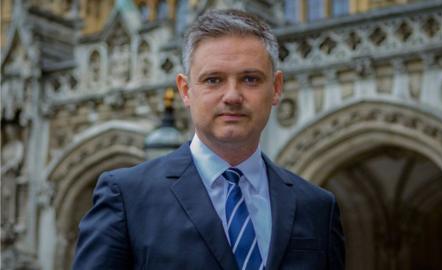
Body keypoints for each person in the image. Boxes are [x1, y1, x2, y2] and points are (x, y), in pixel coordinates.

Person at [72, 9, 345, 270]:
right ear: (185, 90)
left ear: (275, 89)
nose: (232, 96)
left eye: (250, 79)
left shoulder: (318, 207)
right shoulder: (127, 197)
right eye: (213, 80)